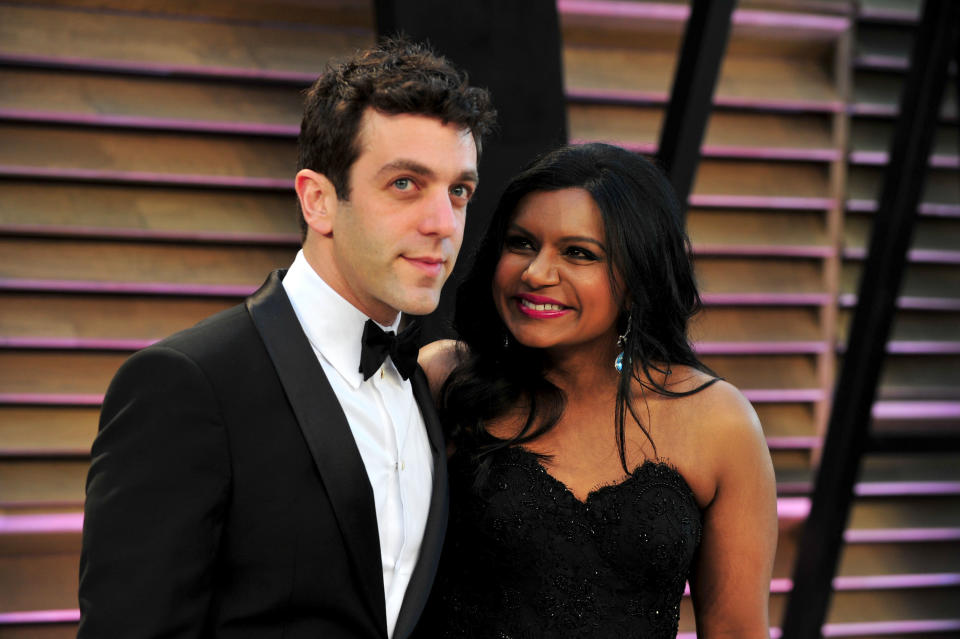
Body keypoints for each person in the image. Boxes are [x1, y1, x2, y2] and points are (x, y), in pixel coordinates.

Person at [78, 38, 495, 639]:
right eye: (406, 184)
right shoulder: (187, 384)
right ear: (318, 200)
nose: (443, 224)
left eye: (459, 191)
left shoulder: (428, 384)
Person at [415, 143, 778, 638]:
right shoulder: (444, 378)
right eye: (521, 243)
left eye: (578, 253)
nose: (536, 273)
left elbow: (737, 631)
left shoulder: (719, 422)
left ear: (636, 278)